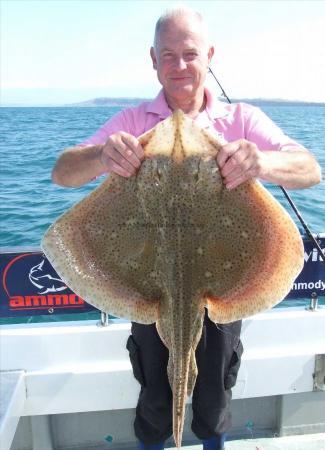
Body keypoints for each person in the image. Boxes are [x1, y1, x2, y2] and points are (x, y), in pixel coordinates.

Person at [51, 7, 321, 450]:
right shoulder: (133, 122)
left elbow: (310, 169)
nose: (179, 66)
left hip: (219, 286)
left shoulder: (241, 121)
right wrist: (102, 156)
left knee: (214, 396)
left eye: (190, 54)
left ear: (209, 56)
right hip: (149, 283)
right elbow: (62, 172)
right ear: (153, 59)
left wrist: (262, 161)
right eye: (168, 55)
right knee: (156, 397)